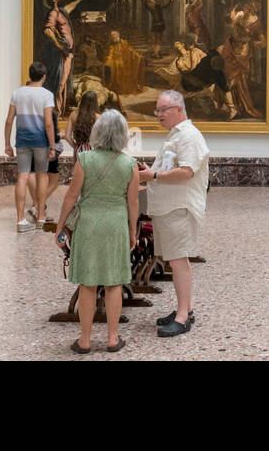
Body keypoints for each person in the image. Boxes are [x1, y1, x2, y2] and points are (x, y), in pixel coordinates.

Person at [55, 109, 138, 354]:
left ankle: (85, 340)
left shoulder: (86, 159)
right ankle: (113, 338)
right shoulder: (129, 164)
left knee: (88, 283)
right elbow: (132, 203)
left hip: (89, 223)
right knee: (114, 283)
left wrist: (60, 226)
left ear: (97, 132)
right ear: (123, 134)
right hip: (115, 224)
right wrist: (132, 231)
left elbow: (72, 195)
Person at [138, 90, 210, 337]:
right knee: (175, 260)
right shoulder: (176, 135)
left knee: (178, 261)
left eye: (163, 109)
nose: (158, 115)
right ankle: (185, 309)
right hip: (168, 207)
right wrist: (151, 171)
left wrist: (153, 175)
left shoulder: (189, 136)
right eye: (157, 110)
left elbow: (186, 171)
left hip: (179, 207)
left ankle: (182, 318)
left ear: (179, 109)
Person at [4, 62, 56, 232]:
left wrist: (7, 143)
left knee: (22, 177)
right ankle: (41, 218)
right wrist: (52, 145)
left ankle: (20, 220)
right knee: (42, 176)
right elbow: (48, 123)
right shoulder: (47, 95)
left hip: (22, 140)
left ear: (30, 75)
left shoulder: (17, 93)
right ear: (44, 77)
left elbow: (9, 120)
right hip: (40, 140)